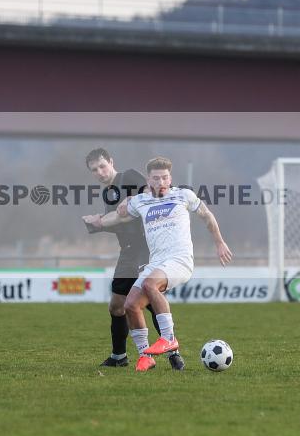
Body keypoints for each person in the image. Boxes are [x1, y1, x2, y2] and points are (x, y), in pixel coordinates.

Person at [89, 156, 233, 372]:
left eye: (165, 177)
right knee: (130, 305)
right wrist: (98, 222)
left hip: (179, 260)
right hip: (156, 263)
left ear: (170, 178)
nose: (161, 182)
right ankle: (145, 356)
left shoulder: (183, 195)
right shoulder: (140, 201)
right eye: (156, 178)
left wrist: (220, 242)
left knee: (149, 285)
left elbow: (207, 215)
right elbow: (118, 218)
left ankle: (169, 339)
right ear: (149, 180)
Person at [81, 148, 186, 371]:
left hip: (144, 247)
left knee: (148, 299)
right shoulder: (107, 194)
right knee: (117, 306)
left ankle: (173, 354)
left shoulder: (127, 176)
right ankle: (119, 356)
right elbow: (121, 221)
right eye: (94, 170)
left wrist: (132, 197)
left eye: (102, 166)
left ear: (111, 162)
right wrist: (97, 223)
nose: (100, 172)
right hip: (127, 252)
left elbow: (152, 191)